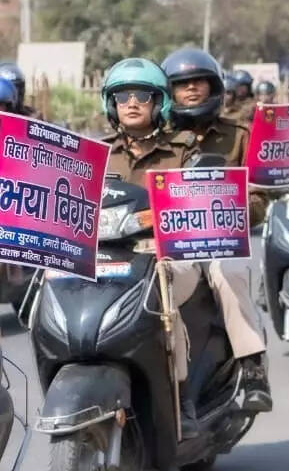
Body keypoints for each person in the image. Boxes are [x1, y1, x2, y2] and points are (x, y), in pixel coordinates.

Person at [161, 48, 272, 413]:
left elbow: (260, 199)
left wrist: (231, 207)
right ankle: (170, 385)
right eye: (181, 84)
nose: (191, 89)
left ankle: (252, 365)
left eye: (198, 82)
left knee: (231, 274)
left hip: (220, 242)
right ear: (168, 93)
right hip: (169, 246)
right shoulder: (161, 140)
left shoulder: (239, 136)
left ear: (214, 88)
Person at [98, 57, 203, 437]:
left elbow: (198, 201)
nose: (132, 102)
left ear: (159, 103)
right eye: (122, 95)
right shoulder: (97, 153)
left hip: (165, 256)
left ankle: (182, 396)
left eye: (143, 95)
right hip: (105, 256)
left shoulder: (183, 150)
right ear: (110, 103)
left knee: (166, 298)